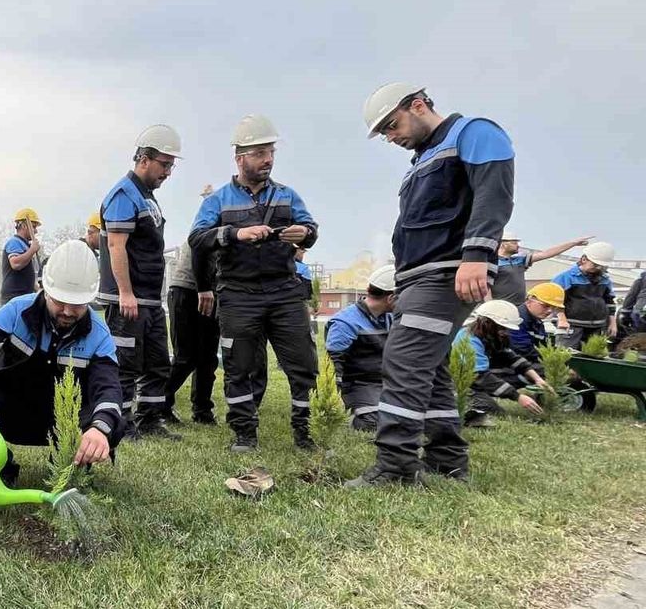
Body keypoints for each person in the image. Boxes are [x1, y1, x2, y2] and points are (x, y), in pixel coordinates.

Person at [346, 83, 515, 487]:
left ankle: (396, 467)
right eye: (385, 132)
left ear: (418, 105)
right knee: (430, 367)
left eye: (392, 125)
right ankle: (447, 460)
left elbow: (493, 194)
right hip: (420, 276)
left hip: (447, 271)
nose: (391, 137)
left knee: (402, 362)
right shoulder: (422, 158)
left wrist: (476, 254)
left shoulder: (473, 133)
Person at [187, 114, 320, 453]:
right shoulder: (216, 200)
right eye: (260, 153)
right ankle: (244, 435)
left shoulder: (288, 196)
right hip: (237, 295)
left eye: (271, 152)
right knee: (238, 367)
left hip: (285, 292)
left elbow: (311, 227)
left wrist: (304, 233)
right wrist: (235, 234)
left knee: (304, 365)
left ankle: (305, 434)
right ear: (240, 158)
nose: (268, 160)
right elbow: (197, 238)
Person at [0, 240, 123, 485]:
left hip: (63, 418)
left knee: (113, 422)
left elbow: (108, 388)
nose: (66, 310)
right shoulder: (18, 309)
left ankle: (68, 465)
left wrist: (100, 429)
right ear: (45, 289)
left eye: (76, 304)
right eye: (59, 301)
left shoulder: (99, 335)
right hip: (13, 404)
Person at [97, 124, 183, 440]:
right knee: (126, 365)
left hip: (150, 300)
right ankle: (123, 423)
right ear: (144, 159)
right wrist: (125, 293)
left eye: (171, 165)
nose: (168, 172)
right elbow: (116, 245)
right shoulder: (124, 194)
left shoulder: (147, 197)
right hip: (129, 301)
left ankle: (150, 419)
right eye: (164, 164)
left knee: (158, 363)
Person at [324, 265, 397, 431]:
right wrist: (336, 400)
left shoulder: (391, 318)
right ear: (391, 298)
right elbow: (333, 366)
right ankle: (351, 418)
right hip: (358, 385)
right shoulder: (346, 323)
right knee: (373, 423)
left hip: (385, 382)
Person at [454, 300, 547, 427]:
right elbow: (479, 376)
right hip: (459, 382)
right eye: (503, 328)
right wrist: (518, 397)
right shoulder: (468, 339)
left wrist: (538, 379)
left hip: (477, 378)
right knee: (490, 409)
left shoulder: (490, 334)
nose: (506, 331)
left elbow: (510, 357)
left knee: (538, 371)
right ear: (488, 323)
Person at [164, 238, 220, 425]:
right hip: (186, 290)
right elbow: (199, 249)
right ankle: (158, 404)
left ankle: (202, 410)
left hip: (211, 293)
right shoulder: (208, 225)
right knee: (185, 357)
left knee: (208, 358)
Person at [493, 232, 592, 305]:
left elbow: (546, 253)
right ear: (503, 244)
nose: (518, 245)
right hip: (500, 305)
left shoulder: (519, 260)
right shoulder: (492, 262)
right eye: (514, 242)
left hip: (520, 305)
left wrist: (573, 243)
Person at [553, 242, 618, 348]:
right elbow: (554, 301)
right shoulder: (566, 278)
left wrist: (613, 323)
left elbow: (610, 302)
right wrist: (562, 319)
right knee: (567, 356)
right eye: (595, 265)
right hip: (571, 325)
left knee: (593, 357)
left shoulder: (605, 280)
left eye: (602, 267)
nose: (598, 268)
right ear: (584, 259)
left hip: (597, 326)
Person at [508, 282, 564, 371]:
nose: (550, 311)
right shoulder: (516, 319)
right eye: (545, 306)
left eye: (554, 308)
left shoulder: (536, 320)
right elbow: (522, 350)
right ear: (529, 300)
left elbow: (544, 346)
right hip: (513, 366)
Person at [1, 208, 43, 304]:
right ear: (24, 225)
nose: (36, 231)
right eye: (34, 227)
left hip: (23, 295)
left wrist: (38, 290)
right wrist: (32, 250)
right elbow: (16, 264)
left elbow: (26, 275)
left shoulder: (26, 245)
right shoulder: (14, 242)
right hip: (14, 296)